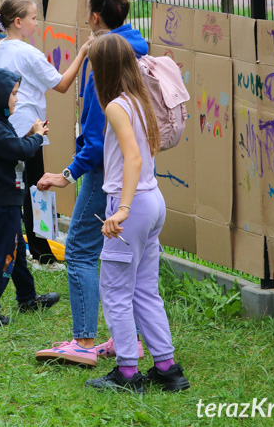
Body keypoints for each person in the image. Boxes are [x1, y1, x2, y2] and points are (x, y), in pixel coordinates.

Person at [35, 0, 150, 367]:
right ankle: (126, 340)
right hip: (139, 173)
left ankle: (84, 341)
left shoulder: (107, 60)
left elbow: (98, 141)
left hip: (106, 171)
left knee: (82, 252)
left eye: (89, 14)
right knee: (125, 259)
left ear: (96, 18)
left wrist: (65, 175)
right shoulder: (135, 47)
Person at [82, 33, 189, 393]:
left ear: (103, 69)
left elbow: (133, 157)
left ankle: (128, 373)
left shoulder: (115, 105)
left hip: (133, 207)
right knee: (145, 290)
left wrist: (122, 209)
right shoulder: (141, 98)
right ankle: (167, 368)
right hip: (153, 201)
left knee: (113, 290)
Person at [0, 0, 80, 267]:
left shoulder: (0, 49)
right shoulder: (28, 53)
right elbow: (62, 85)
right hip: (30, 131)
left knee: (18, 187)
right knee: (36, 187)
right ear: (18, 22)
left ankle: (23, 245)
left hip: (10, 128)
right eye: (33, 18)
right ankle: (41, 254)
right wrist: (84, 51)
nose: (36, 23)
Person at [0, 69, 59, 328]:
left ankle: (27, 297)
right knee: (6, 253)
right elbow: (20, 149)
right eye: (13, 94)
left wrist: (31, 136)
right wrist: (35, 136)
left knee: (17, 249)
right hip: (2, 199)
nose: (17, 100)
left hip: (6, 196)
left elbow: (14, 149)